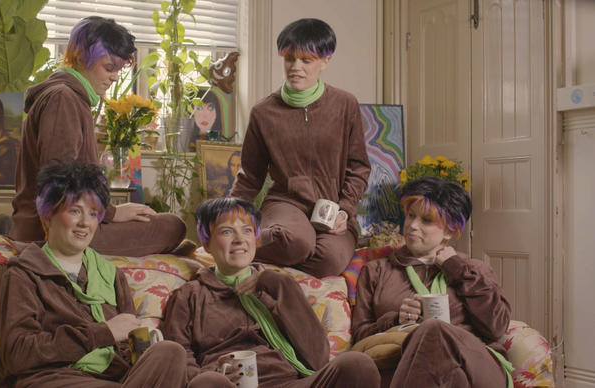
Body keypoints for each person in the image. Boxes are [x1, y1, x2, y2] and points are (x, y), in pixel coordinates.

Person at [10, 16, 188, 257]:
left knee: (160, 222)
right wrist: (112, 213)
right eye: (109, 67)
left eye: (118, 69)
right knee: (173, 226)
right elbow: (59, 180)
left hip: (69, 221)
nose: (115, 77)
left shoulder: (70, 97)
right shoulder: (64, 99)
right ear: (82, 57)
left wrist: (109, 212)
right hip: (55, 232)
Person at [0, 162, 187, 387]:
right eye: (75, 211)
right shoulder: (24, 274)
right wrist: (103, 332)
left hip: (116, 378)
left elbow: (128, 342)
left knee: (170, 353)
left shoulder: (111, 274)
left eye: (93, 213)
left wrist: (140, 347)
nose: (85, 223)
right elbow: (18, 353)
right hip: (55, 379)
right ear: (47, 214)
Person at [162, 197, 381, 388]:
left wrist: (280, 286)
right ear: (207, 243)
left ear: (256, 238)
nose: (239, 239)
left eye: (247, 230)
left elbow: (318, 358)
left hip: (288, 381)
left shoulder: (277, 286)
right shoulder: (190, 295)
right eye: (227, 231)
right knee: (206, 384)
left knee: (357, 365)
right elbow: (179, 358)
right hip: (228, 384)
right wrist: (208, 375)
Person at [229, 18, 371, 277]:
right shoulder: (264, 112)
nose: (295, 67)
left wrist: (346, 210)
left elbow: (358, 167)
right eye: (289, 59)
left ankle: (271, 268)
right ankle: (237, 245)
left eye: (306, 60)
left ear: (326, 60)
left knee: (329, 261)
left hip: (331, 208)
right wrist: (228, 217)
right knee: (296, 243)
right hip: (285, 204)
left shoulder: (345, 105)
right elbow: (250, 176)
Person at [350, 177, 514, 388]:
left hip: (476, 364)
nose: (412, 226)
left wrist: (455, 269)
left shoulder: (473, 270)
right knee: (452, 378)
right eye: (410, 216)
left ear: (450, 231)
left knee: (434, 329)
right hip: (404, 366)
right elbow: (359, 338)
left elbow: (497, 327)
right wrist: (396, 320)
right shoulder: (376, 271)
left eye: (426, 220)